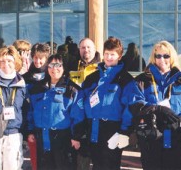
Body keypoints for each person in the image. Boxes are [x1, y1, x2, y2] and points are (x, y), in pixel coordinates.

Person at [133, 40, 181, 170]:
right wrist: (157, 109)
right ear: (153, 57)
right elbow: (135, 103)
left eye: (166, 56)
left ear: (172, 57)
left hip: (175, 134)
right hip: (150, 135)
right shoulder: (142, 80)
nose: (161, 59)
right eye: (158, 56)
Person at [82, 37, 145, 170]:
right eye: (106, 54)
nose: (109, 57)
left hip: (112, 130)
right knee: (96, 165)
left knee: (110, 165)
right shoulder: (92, 78)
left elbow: (132, 106)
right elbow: (81, 103)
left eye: (113, 54)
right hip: (92, 128)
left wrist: (124, 131)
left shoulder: (125, 80)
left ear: (120, 56)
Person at [27, 54, 85, 170]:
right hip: (41, 138)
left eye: (58, 65)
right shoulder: (36, 88)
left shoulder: (72, 89)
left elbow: (78, 116)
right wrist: (30, 131)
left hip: (63, 140)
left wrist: (76, 137)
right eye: (51, 65)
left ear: (64, 67)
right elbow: (30, 111)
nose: (54, 69)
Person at [69, 38, 101, 170]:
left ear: (94, 50)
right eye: (83, 47)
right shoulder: (71, 67)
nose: (86, 50)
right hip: (77, 121)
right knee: (79, 163)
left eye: (89, 47)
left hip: (95, 120)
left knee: (99, 163)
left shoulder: (101, 68)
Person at [23, 42, 51, 170]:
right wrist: (29, 130)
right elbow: (25, 106)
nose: (37, 61)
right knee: (36, 162)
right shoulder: (25, 78)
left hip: (51, 126)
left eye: (41, 58)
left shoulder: (52, 76)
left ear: (46, 59)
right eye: (35, 57)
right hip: (33, 125)